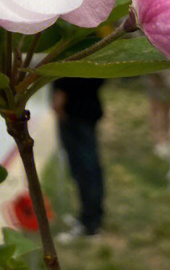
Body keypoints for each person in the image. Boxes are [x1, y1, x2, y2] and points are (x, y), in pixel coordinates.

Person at [52, 77, 105, 239]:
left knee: (86, 169)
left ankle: (91, 222)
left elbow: (70, 73)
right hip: (83, 109)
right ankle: (88, 216)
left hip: (76, 112)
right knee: (85, 169)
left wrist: (61, 94)